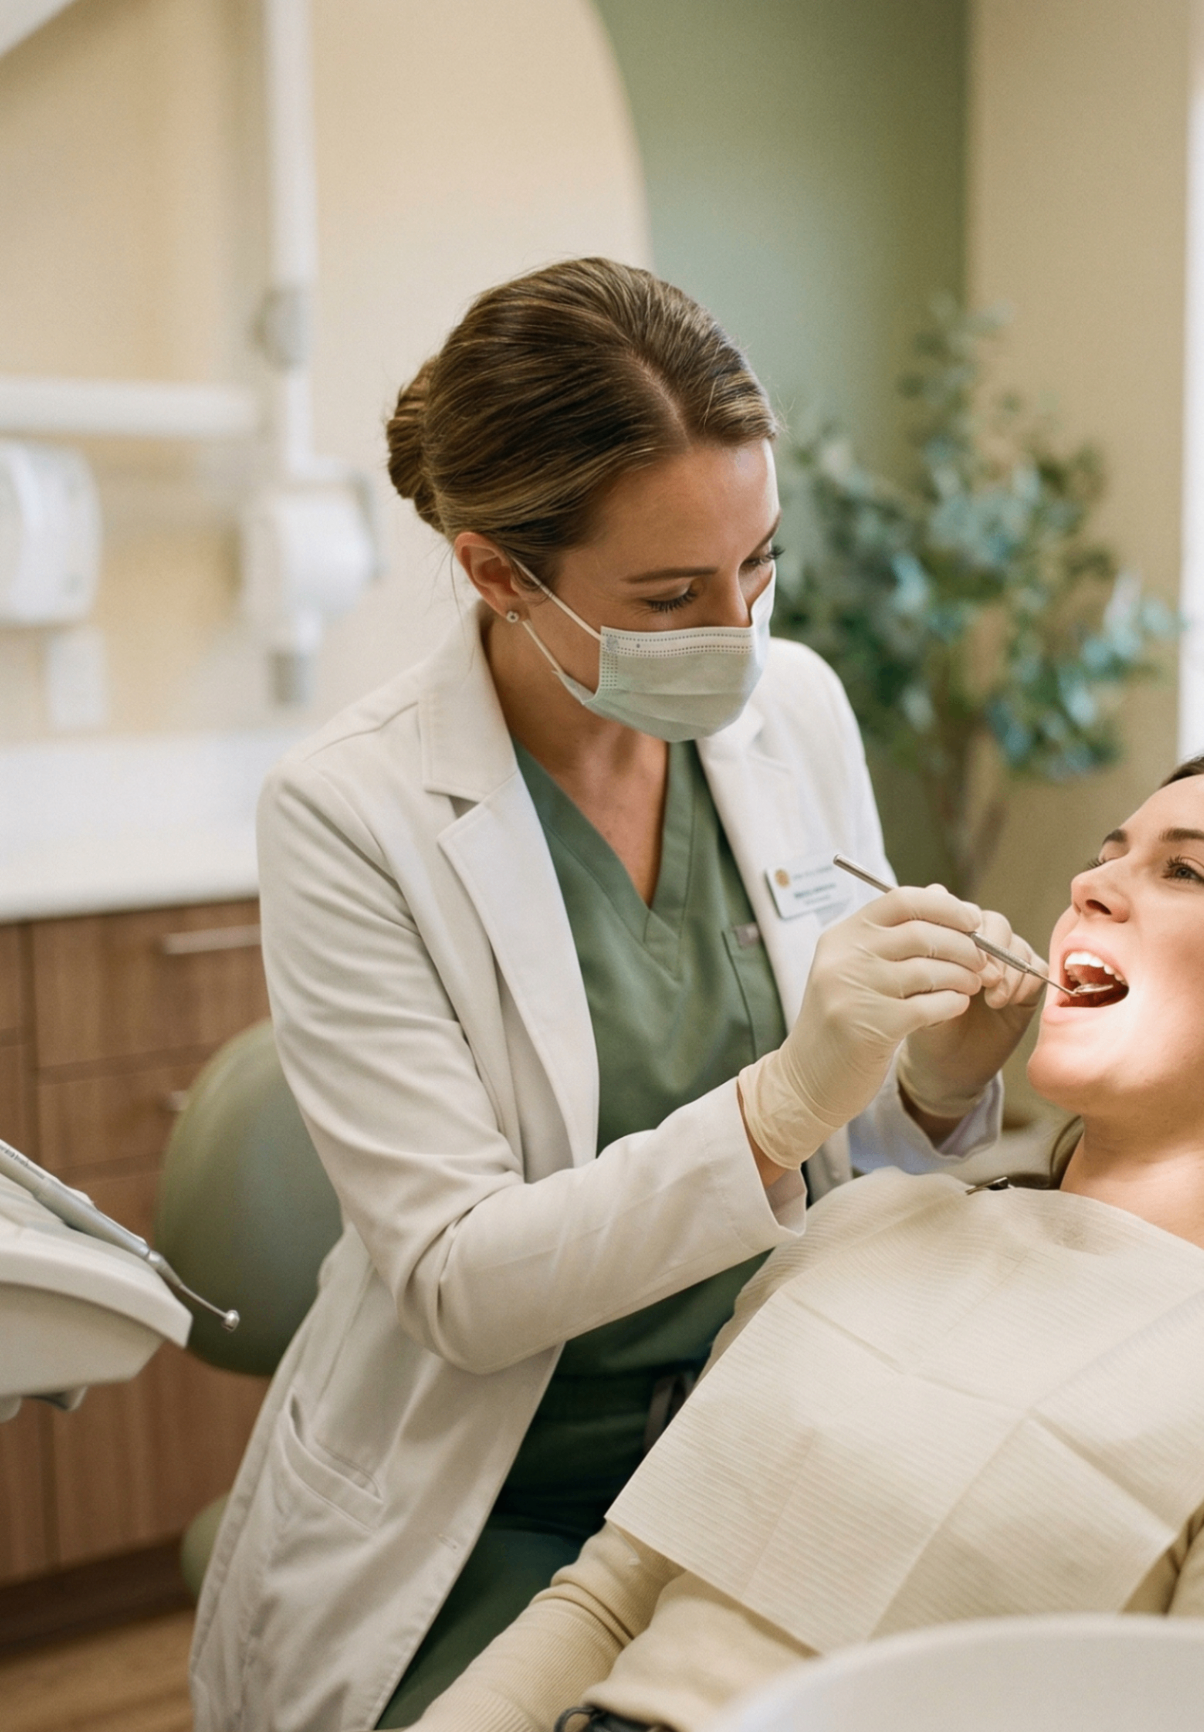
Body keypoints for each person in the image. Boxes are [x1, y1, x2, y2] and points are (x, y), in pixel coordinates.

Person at [187, 259, 1045, 1732]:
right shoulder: (349, 812)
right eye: (669, 593)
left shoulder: (801, 710)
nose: (738, 628)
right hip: (492, 1488)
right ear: (495, 570)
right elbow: (460, 1285)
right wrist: (778, 1107)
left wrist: (938, 1082)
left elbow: (864, 1176)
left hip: (769, 1443)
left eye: (760, 564)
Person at [408, 753, 1204, 1732]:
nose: (1091, 888)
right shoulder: (871, 1224)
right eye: (1104, 856)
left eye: (1183, 870)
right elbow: (606, 1600)